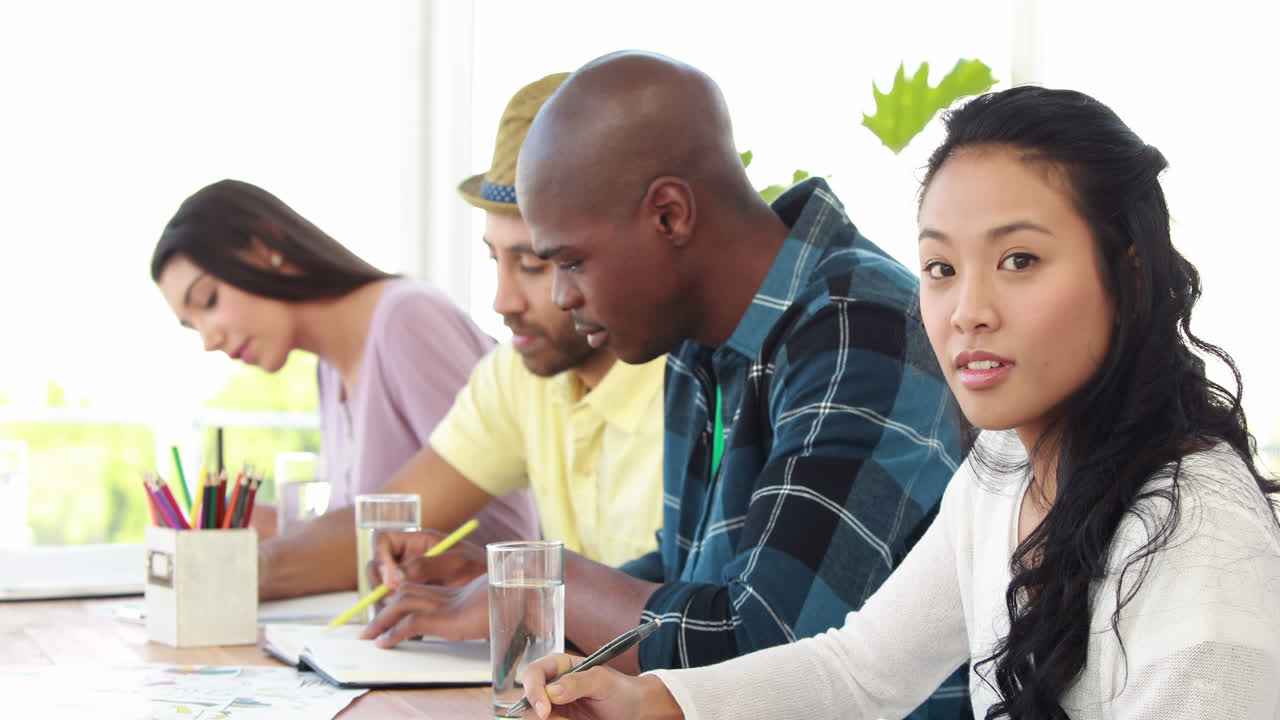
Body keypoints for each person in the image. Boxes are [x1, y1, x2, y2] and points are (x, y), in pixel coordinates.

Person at [516, 85, 1280, 720]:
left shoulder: (1196, 530)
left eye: (1019, 260)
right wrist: (654, 702)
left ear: (1130, 274)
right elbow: (862, 671)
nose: (968, 310)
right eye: (941, 266)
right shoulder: (1006, 471)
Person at [371, 50, 970, 716]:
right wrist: (510, 589)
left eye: (568, 262)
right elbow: (699, 573)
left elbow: (764, 646)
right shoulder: (699, 343)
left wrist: (555, 582)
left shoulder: (860, 328)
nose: (562, 296)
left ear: (669, 215)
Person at [304, 72, 666, 620]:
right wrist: (497, 582)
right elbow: (394, 523)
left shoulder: (699, 382)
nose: (501, 300)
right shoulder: (516, 373)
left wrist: (527, 595)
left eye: (532, 264)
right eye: (494, 260)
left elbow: (710, 621)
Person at [151, 179, 540, 599]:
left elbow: (500, 520)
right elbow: (368, 526)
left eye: (208, 300)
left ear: (266, 247)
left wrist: (226, 573)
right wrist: (275, 529)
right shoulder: (329, 371)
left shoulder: (406, 319)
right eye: (192, 327)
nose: (209, 338)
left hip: (476, 640)